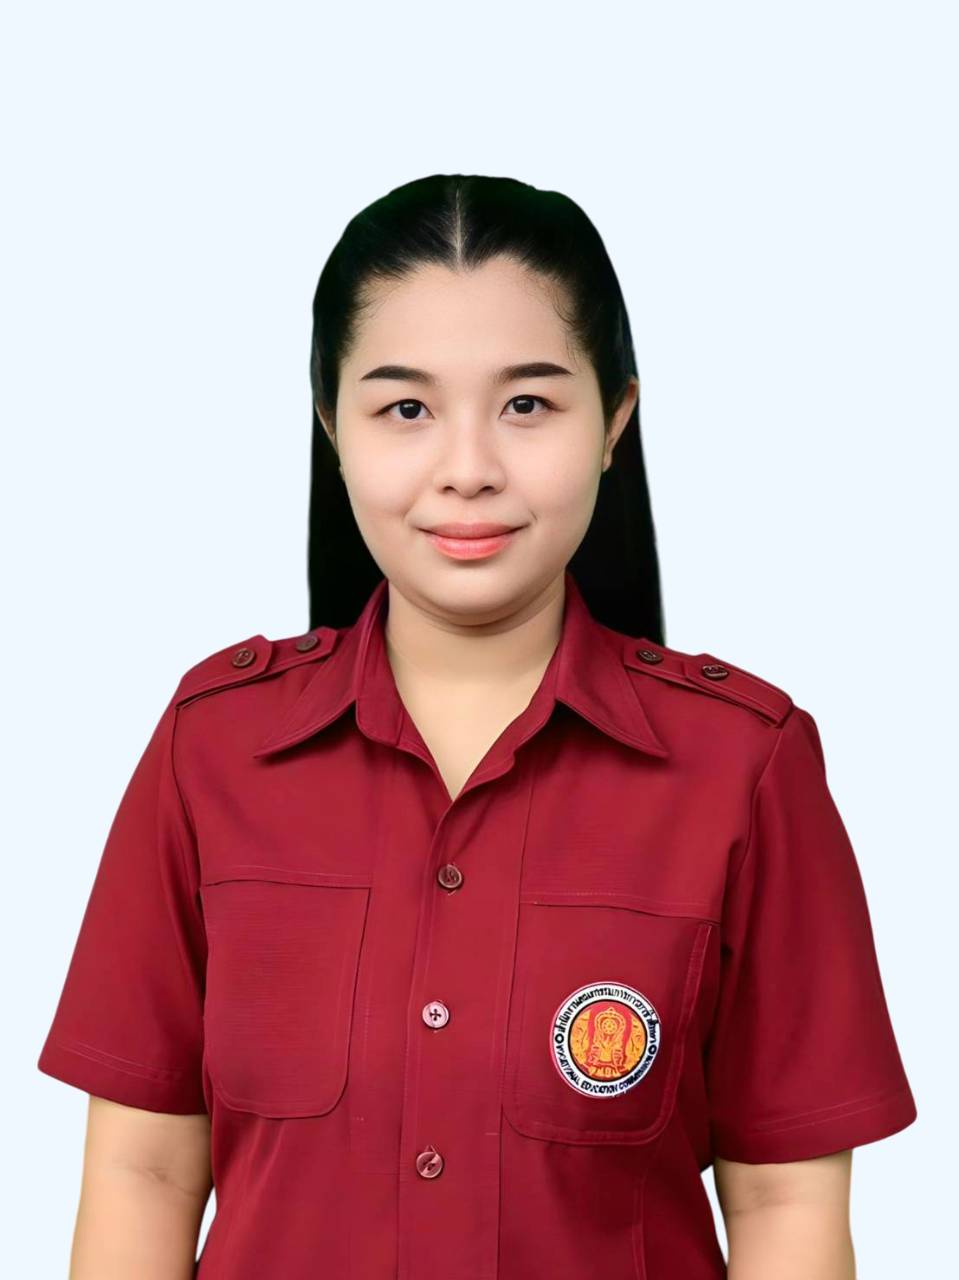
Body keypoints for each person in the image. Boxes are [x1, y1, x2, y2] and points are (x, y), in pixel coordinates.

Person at [38, 173, 917, 1279]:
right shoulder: (210, 750)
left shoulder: (744, 766)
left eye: (527, 405)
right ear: (331, 426)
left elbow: (786, 1199)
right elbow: (144, 1174)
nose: (467, 470)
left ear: (615, 422)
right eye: (405, 409)